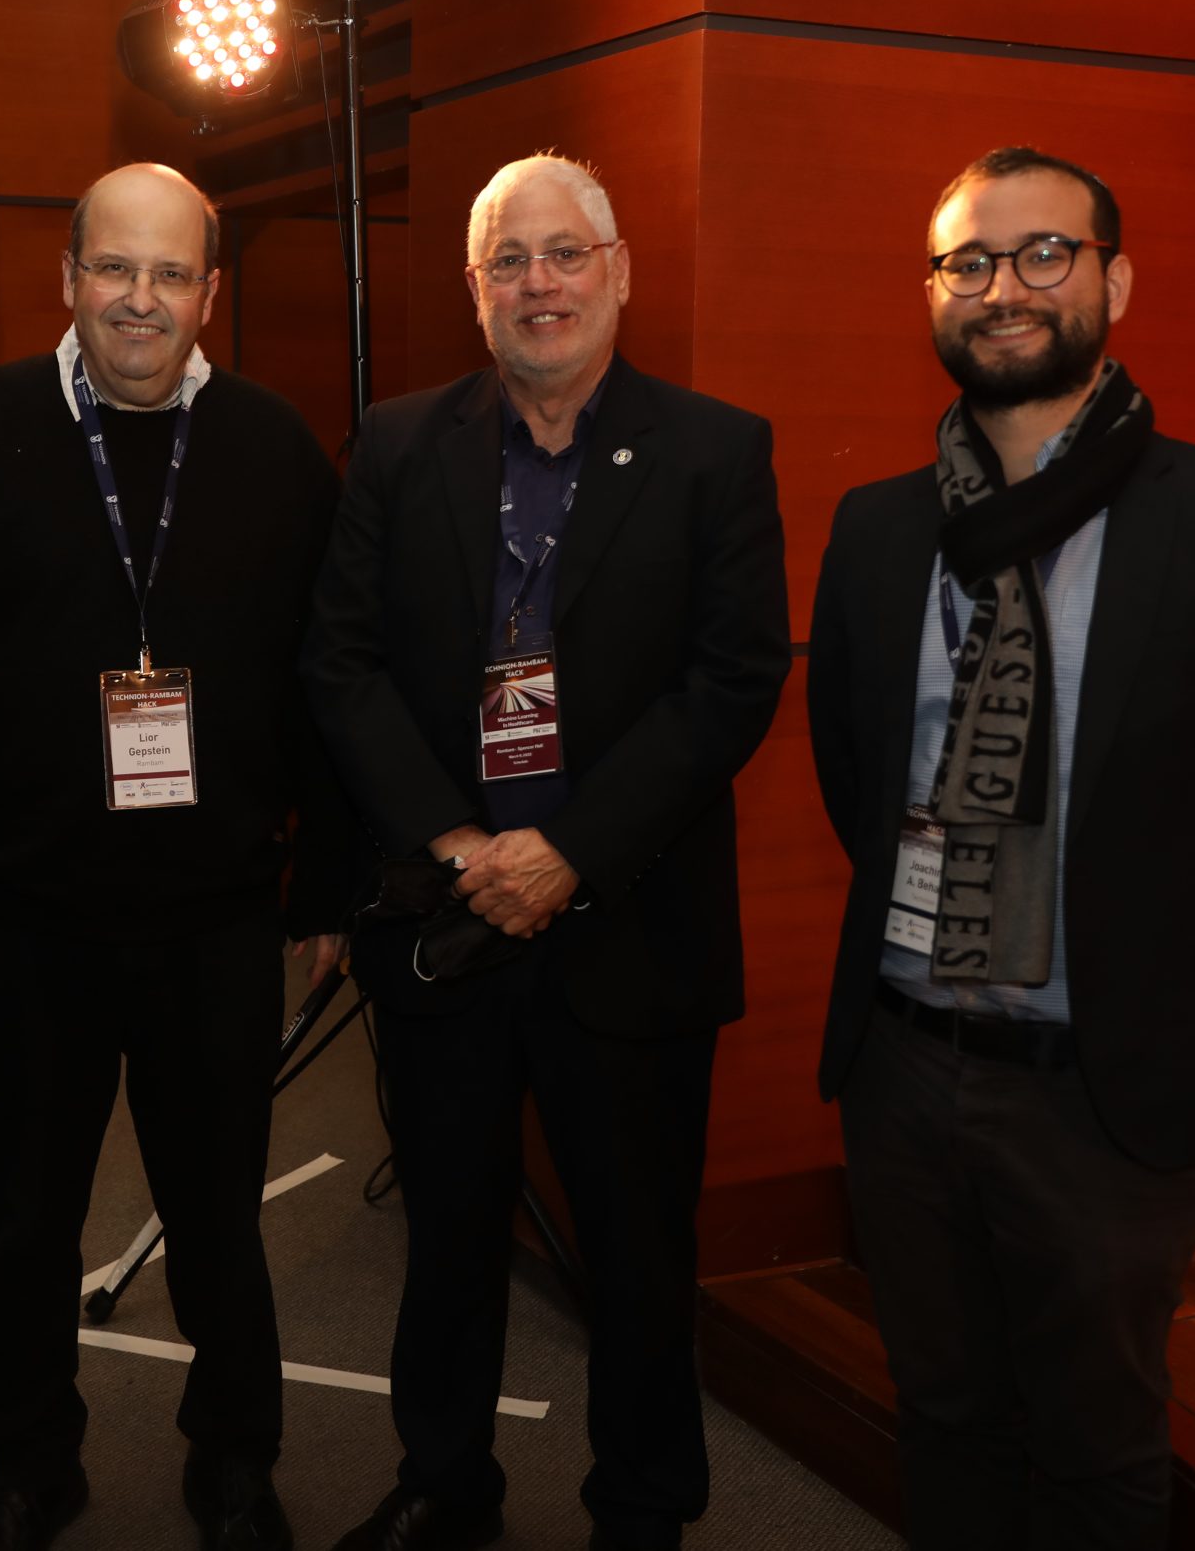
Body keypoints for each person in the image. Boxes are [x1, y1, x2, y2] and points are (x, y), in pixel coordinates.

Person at [806, 146, 1195, 1549]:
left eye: (1044, 252)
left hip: (1109, 1092)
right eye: (969, 261)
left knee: (1097, 1439)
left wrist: (1178, 984)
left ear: (1115, 282)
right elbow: (856, 778)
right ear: (932, 294)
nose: (1004, 287)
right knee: (942, 1413)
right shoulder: (876, 531)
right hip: (904, 1068)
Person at [304, 153, 790, 1551]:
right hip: (446, 917)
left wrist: (568, 851)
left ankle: (643, 1507)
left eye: (566, 252)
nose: (540, 283)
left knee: (638, 1253)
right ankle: (443, 1485)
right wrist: (463, 844)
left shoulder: (714, 451)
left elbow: (732, 681)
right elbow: (340, 662)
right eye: (509, 260)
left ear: (618, 270)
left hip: (629, 920)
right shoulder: (399, 444)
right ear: (476, 290)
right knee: (447, 1237)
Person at [0, 162, 346, 1551]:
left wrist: (325, 882)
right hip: (18, 925)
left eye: (170, 273)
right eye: (115, 268)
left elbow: (328, 678)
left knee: (218, 1216)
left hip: (215, 920)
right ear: (70, 277)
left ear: (210, 291)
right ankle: (31, 1463)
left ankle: (235, 1460)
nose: (141, 298)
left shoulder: (273, 446)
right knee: (26, 1217)